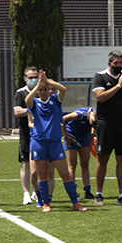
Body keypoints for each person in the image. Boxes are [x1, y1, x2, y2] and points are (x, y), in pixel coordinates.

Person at [24, 70, 87, 212]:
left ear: (49, 90)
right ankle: (45, 203)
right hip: (39, 142)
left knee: (64, 173)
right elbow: (27, 100)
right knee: (42, 174)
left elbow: (63, 89)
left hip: (55, 142)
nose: (43, 92)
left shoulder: (55, 101)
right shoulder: (34, 103)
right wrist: (38, 85)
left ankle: (75, 203)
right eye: (41, 90)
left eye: (45, 89)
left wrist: (47, 80)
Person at [91, 50, 122, 205]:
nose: (119, 65)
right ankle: (99, 194)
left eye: (121, 63)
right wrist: (118, 85)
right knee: (103, 158)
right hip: (105, 123)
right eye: (116, 63)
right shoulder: (100, 76)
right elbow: (100, 97)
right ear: (109, 63)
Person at [13, 66, 40, 206]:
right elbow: (17, 112)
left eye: (35, 77)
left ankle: (38, 191)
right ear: (25, 79)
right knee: (26, 163)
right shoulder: (20, 93)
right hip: (26, 132)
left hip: (42, 132)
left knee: (42, 163)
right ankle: (26, 193)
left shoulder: (42, 91)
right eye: (30, 77)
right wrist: (31, 109)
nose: (33, 80)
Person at [63, 106, 95, 199]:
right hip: (71, 137)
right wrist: (66, 136)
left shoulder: (97, 116)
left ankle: (87, 191)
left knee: (85, 164)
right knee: (72, 165)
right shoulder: (80, 114)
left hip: (84, 138)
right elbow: (63, 120)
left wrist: (92, 134)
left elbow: (94, 125)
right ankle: (73, 191)